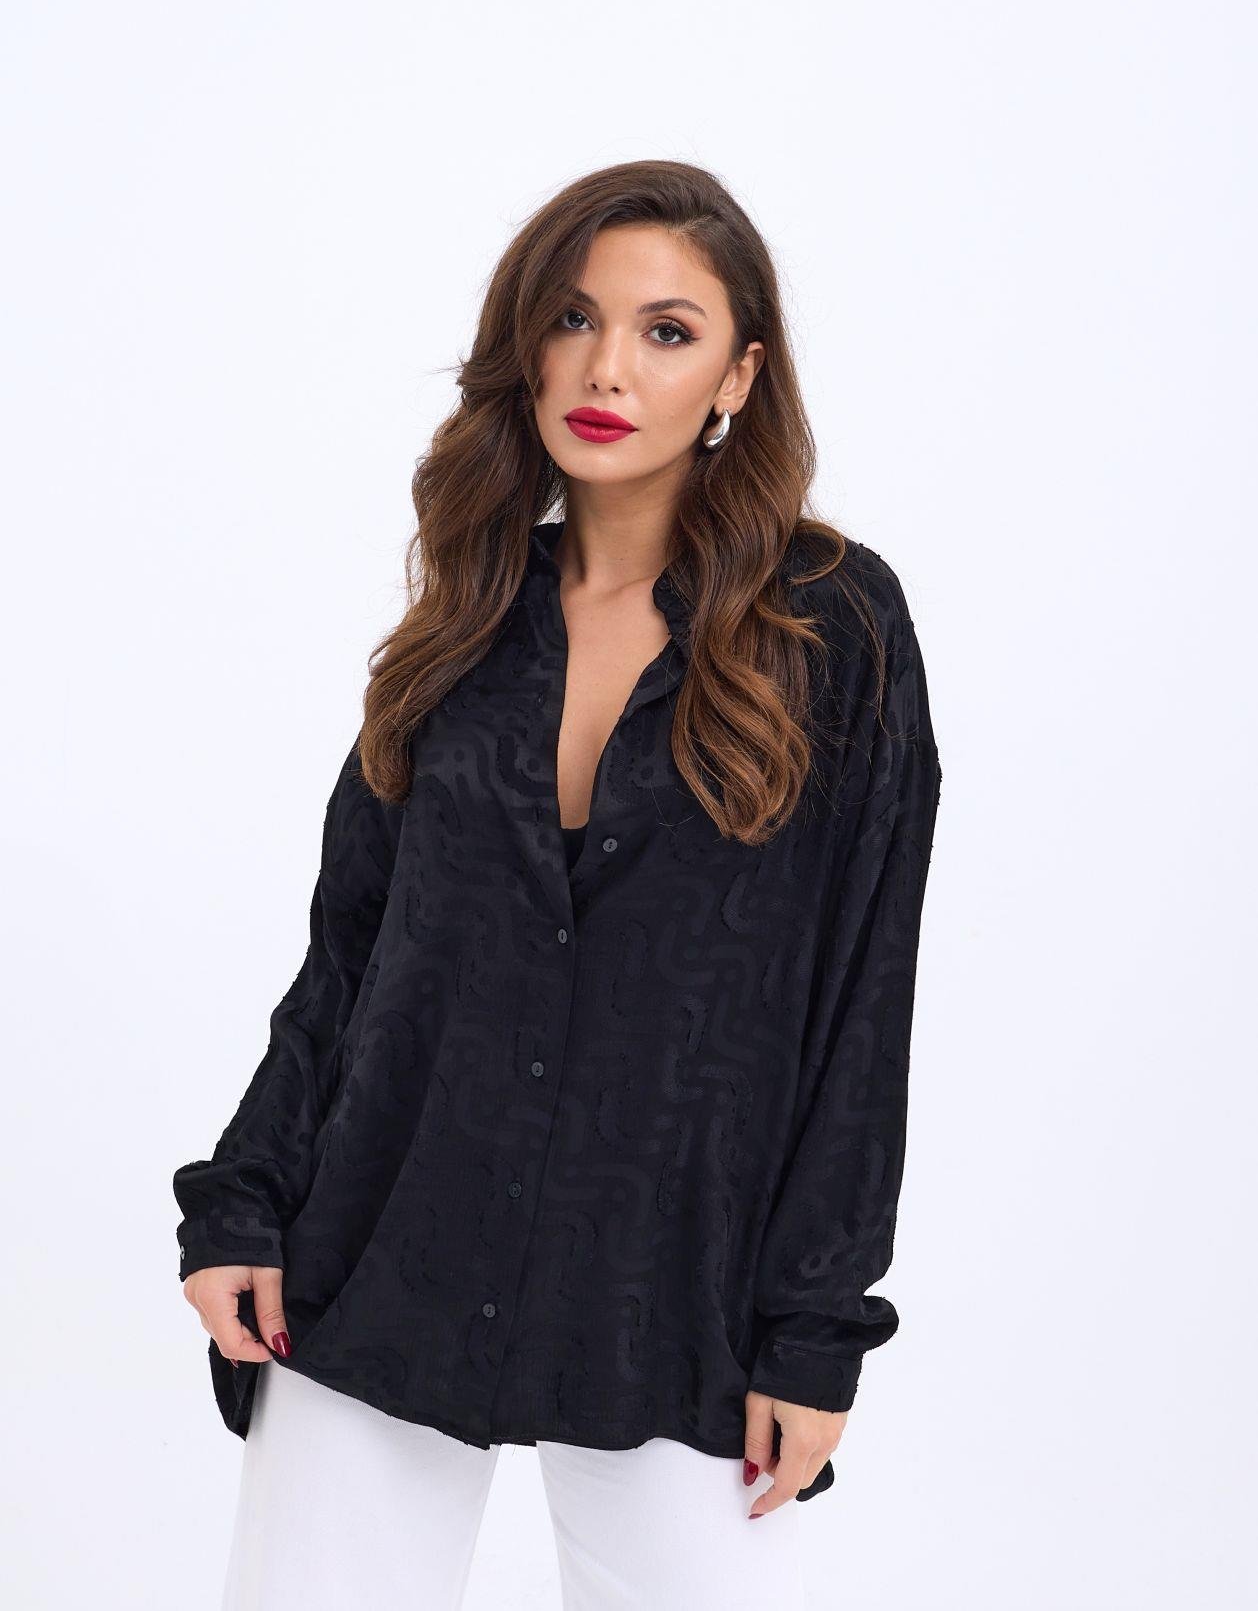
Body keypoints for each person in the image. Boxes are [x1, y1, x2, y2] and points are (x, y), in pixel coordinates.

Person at [173, 159, 943, 1610]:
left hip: (678, 1287)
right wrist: (245, 1199)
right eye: (574, 318)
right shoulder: (467, 617)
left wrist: (815, 1327)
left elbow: (863, 992)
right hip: (384, 1241)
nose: (606, 369)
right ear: (523, 345)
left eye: (667, 330)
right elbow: (353, 956)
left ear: (738, 375)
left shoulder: (831, 625)